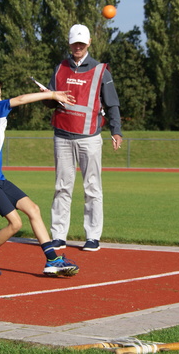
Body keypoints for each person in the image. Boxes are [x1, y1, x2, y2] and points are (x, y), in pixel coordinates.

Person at [0, 77, 79, 277]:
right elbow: (22, 99)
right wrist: (51, 94)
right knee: (15, 224)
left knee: (33, 209)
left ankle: (53, 260)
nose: (1, 98)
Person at [45, 24, 123, 252]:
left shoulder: (101, 70)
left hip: (89, 137)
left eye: (81, 43)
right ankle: (58, 235)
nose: (77, 47)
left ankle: (93, 237)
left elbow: (112, 103)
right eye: (74, 43)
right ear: (69, 44)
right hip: (62, 135)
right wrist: (48, 97)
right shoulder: (59, 68)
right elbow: (51, 98)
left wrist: (116, 130)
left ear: (88, 43)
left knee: (92, 188)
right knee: (62, 187)